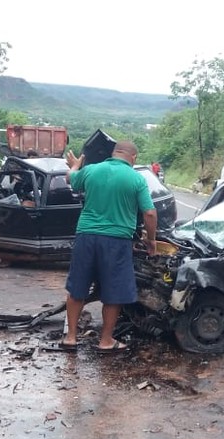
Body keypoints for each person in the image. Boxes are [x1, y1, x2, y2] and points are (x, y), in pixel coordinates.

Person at [61, 140, 157, 353]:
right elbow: (149, 213)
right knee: (114, 292)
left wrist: (76, 165)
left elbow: (70, 178)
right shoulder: (136, 178)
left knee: (78, 288)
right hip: (116, 241)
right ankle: (105, 341)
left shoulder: (92, 170)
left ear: (114, 154)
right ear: (133, 158)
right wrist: (151, 241)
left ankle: (70, 338)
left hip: (86, 236)